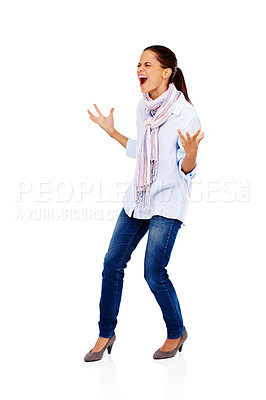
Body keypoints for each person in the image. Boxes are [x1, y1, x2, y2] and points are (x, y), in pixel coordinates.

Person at [84, 45, 204, 362]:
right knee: (112, 264)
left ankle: (176, 332)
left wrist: (191, 155)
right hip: (139, 198)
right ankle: (105, 332)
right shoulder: (142, 108)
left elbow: (185, 167)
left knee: (154, 272)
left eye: (147, 64)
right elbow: (145, 152)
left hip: (167, 201)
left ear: (166, 72)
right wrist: (112, 133)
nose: (140, 69)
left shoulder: (186, 113)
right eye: (138, 64)